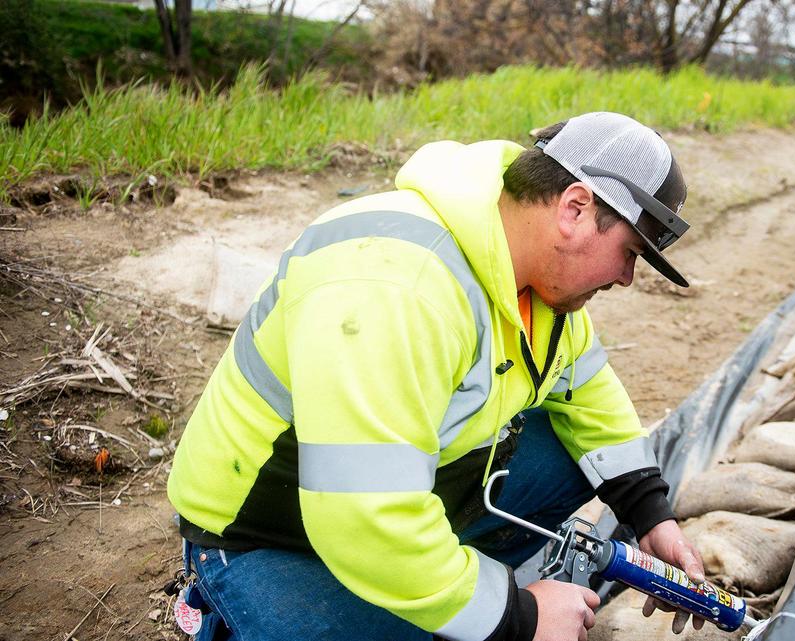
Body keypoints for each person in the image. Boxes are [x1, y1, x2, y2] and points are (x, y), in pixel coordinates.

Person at [165, 112, 708, 641]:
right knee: (415, 615)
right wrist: (518, 616)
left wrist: (650, 515)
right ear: (575, 208)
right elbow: (364, 513)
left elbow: (588, 390)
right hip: (271, 533)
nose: (627, 278)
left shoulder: (537, 287)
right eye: (630, 253)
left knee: (582, 459)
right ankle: (229, 601)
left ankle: (429, 579)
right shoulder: (397, 283)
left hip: (387, 500)